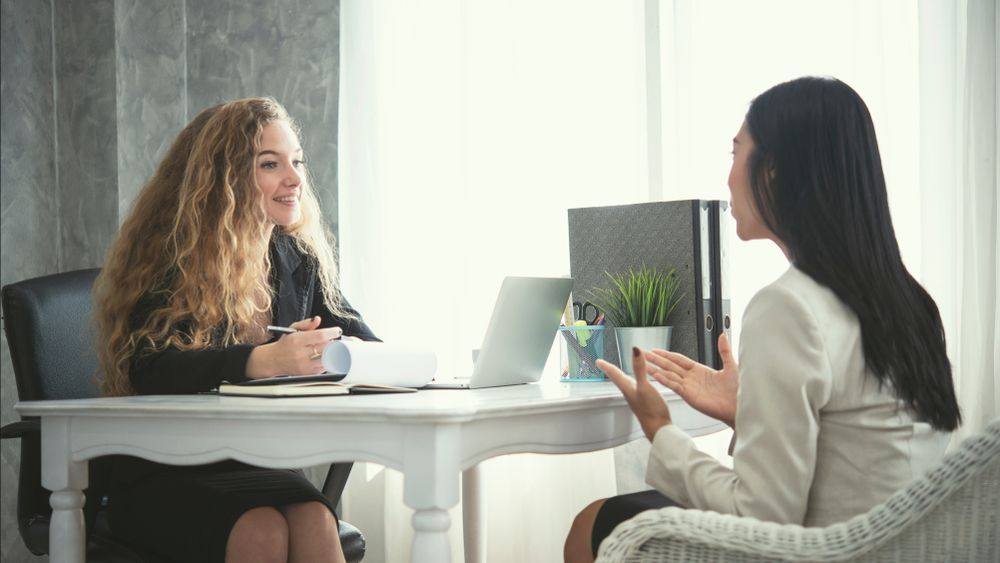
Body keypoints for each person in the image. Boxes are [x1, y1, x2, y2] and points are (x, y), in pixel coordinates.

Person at [564, 77, 962, 562]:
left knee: (592, 524)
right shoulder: (913, 305)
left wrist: (660, 429)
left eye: (736, 153)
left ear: (772, 171)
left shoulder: (789, 307)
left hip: (818, 551)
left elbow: (764, 516)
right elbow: (863, 450)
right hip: (892, 549)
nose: (728, 175)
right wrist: (745, 410)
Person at [94, 97, 378, 563]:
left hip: (254, 462)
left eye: (297, 162)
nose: (294, 179)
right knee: (260, 529)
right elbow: (149, 369)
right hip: (165, 469)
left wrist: (336, 350)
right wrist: (264, 360)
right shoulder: (172, 260)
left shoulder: (297, 260)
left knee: (315, 519)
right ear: (225, 177)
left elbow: (362, 342)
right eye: (271, 164)